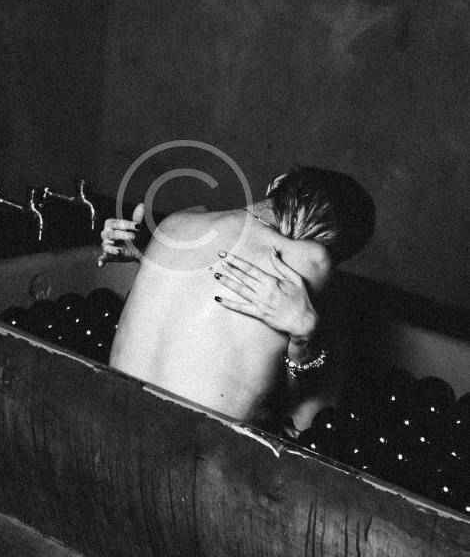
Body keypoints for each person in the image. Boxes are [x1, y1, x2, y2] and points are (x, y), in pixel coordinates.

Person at [100, 167, 375, 434]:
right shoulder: (312, 260)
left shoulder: (175, 222)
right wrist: (304, 342)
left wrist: (146, 253)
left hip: (106, 424)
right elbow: (305, 424)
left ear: (276, 183)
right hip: (193, 451)